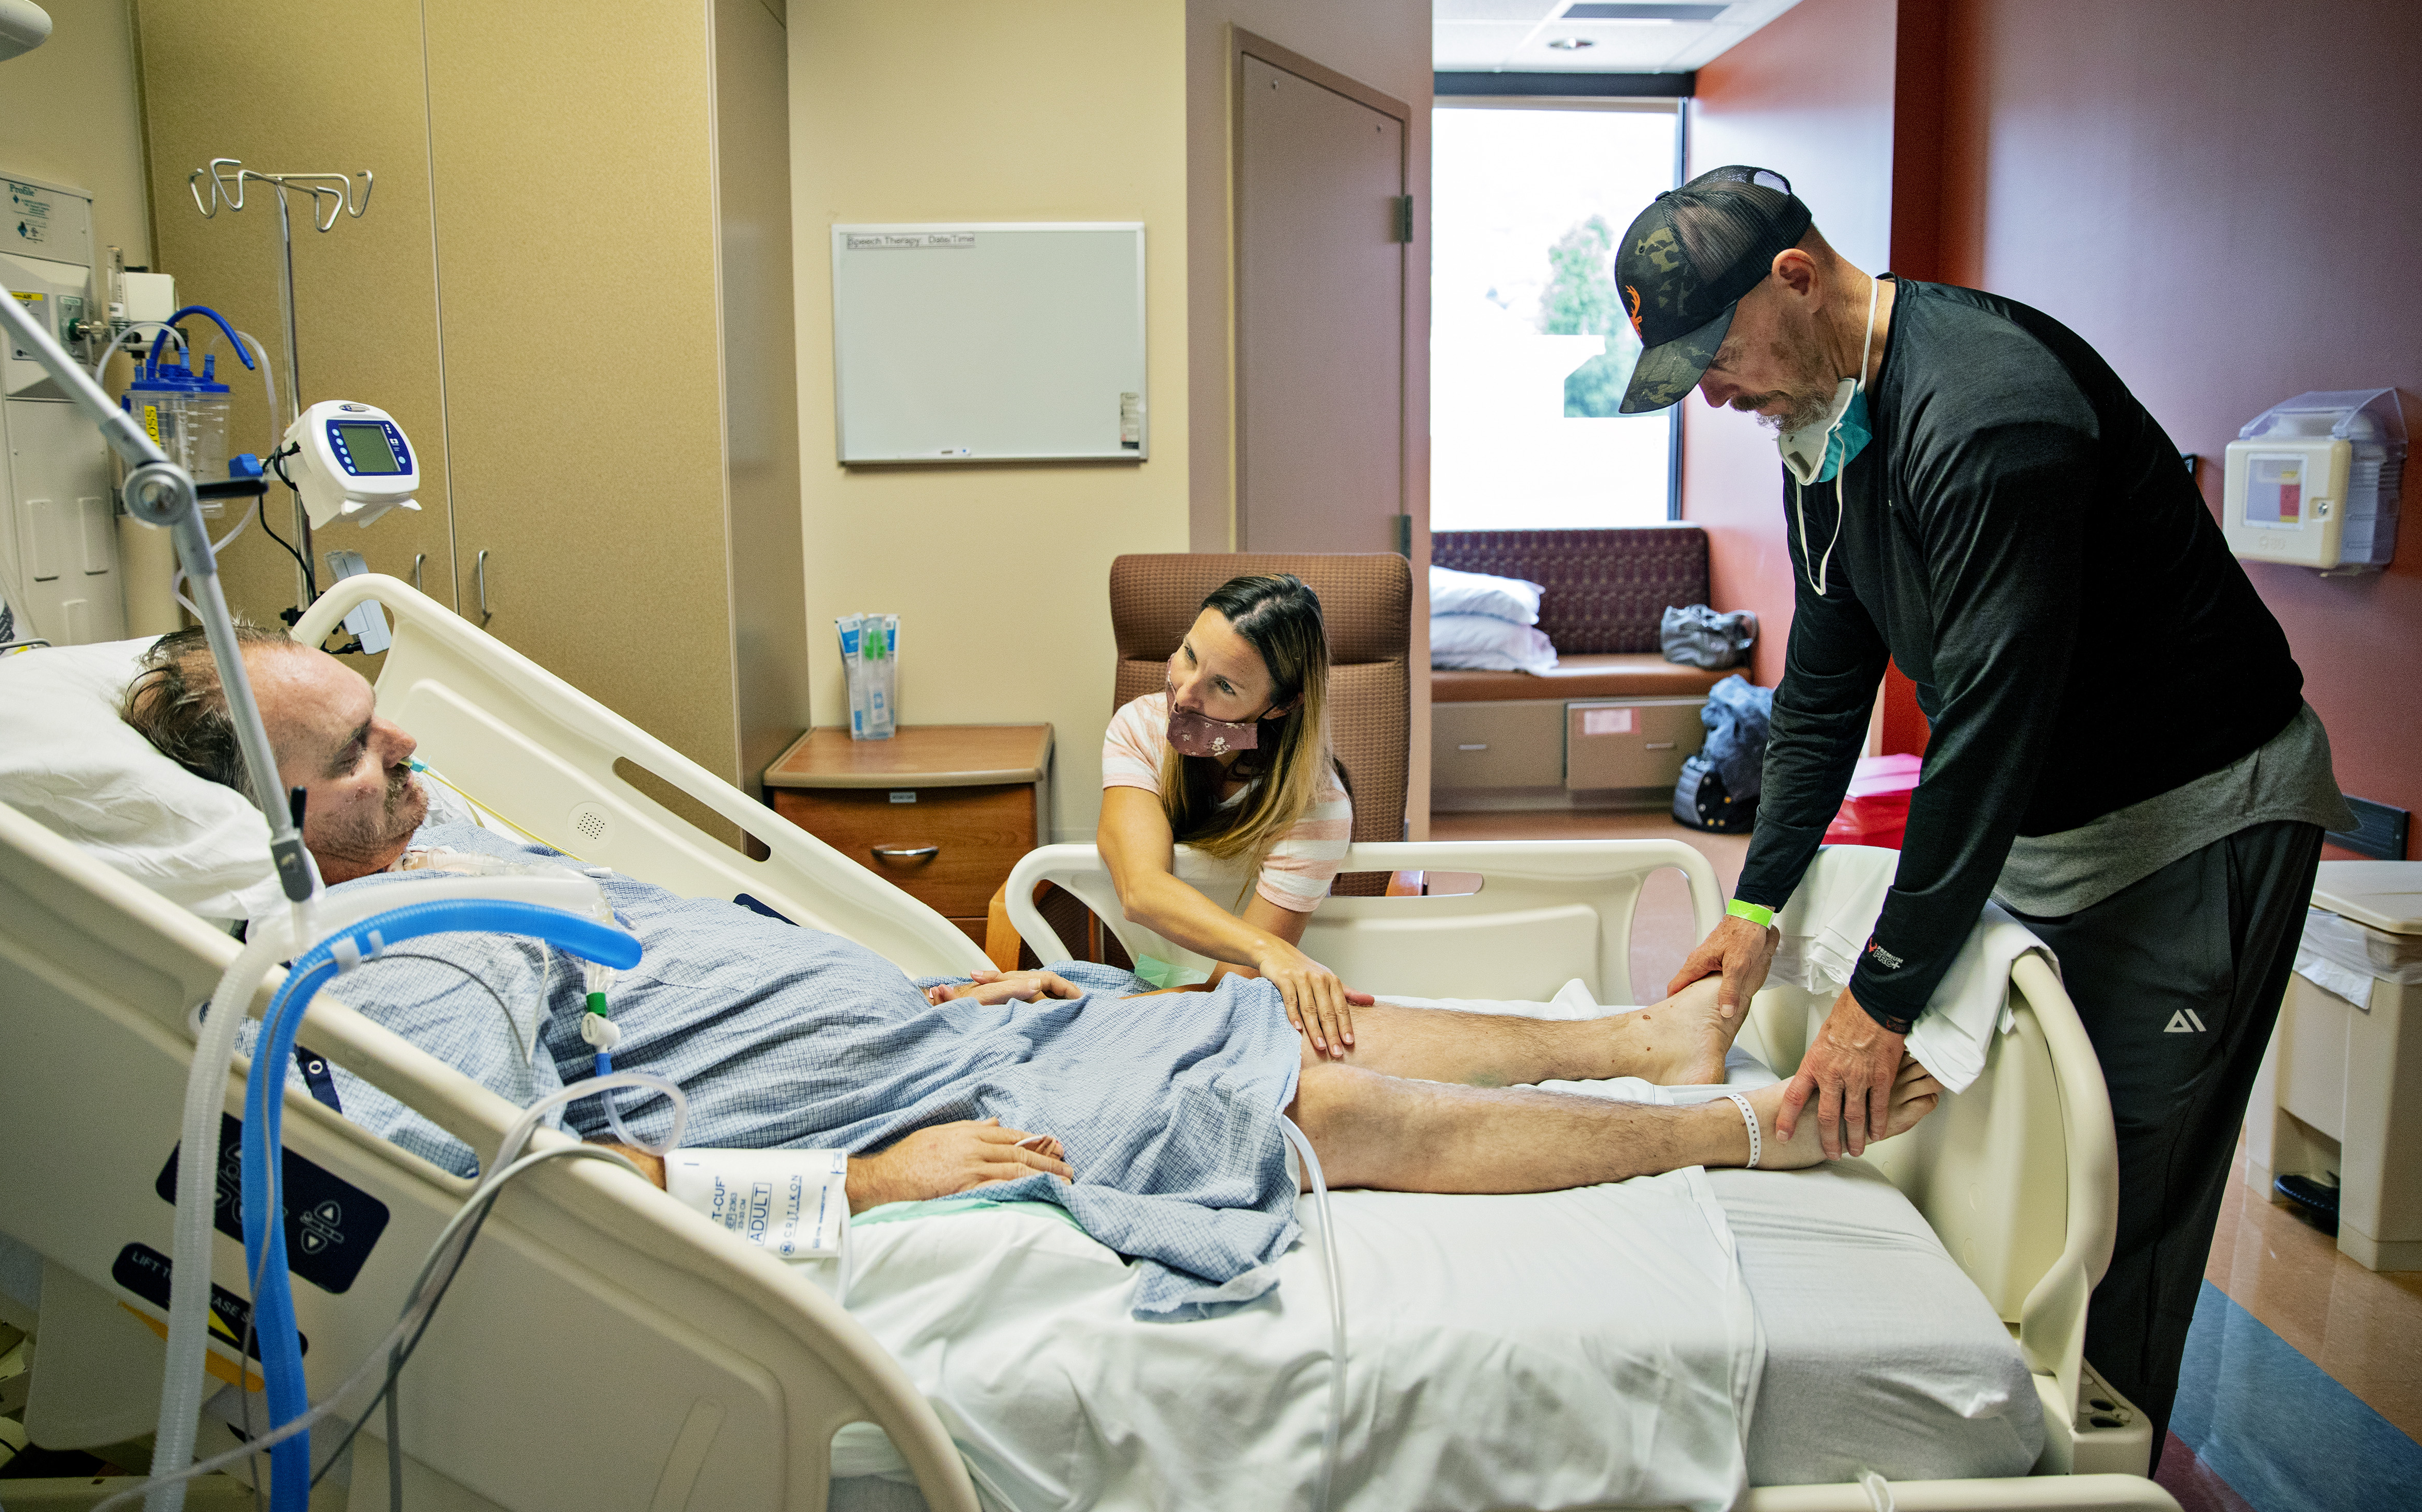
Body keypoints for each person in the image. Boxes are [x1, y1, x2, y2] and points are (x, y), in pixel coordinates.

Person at [121, 625, 1944, 1318]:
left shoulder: (445, 845)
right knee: (1312, 1092)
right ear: (270, 819)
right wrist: (862, 1171)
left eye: (384, 723)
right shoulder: (386, 966)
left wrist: (927, 988)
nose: (410, 759)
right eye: (357, 758)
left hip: (923, 1027)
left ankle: (1642, 1030)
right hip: (893, 1107)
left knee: (1261, 1009)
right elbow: (510, 1180)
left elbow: (668, 973)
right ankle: (1739, 1130)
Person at [1608, 164, 2352, 1460]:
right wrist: (1754, 903)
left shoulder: (1988, 413)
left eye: (1711, 354)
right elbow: (1827, 686)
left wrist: (1880, 994)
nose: (1709, 393)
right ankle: (2007, 1449)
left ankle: (2084, 1472)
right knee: (2020, 1147)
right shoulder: (1823, 432)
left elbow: (1990, 725)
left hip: (2191, 817)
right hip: (2045, 817)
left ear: (1793, 275)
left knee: (2115, 1189)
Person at [1096, 573, 1361, 1058]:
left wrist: (1103, 1017)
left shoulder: (1317, 807)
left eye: (1223, 686)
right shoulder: (1140, 728)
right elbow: (1140, 891)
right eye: (1189, 655)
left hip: (1244, 1010)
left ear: (1280, 705)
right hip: (1155, 982)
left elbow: (1228, 995)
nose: (1184, 695)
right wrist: (1268, 950)